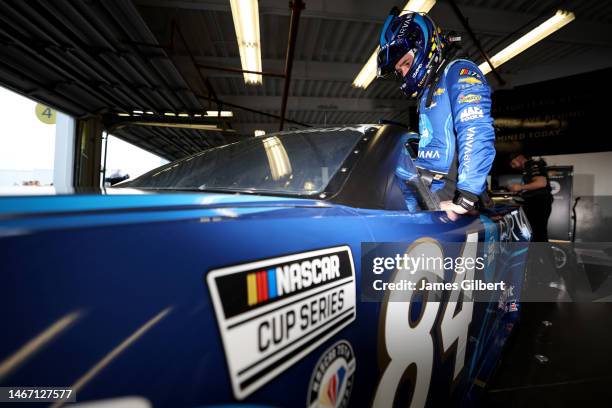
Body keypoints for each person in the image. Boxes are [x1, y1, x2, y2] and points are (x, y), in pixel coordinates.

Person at [376, 8, 495, 217]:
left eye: (405, 63)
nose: (403, 73)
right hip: (426, 195)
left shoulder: (458, 70)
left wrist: (465, 198)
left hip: (450, 199)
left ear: (423, 47)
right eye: (399, 69)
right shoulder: (428, 90)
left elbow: (475, 128)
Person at [509, 154, 553, 242]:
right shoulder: (527, 169)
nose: (513, 167)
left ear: (519, 158)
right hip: (535, 201)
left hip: (539, 202)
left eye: (513, 164)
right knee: (535, 232)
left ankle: (543, 255)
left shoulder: (533, 165)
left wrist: (521, 187)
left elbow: (541, 183)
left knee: (538, 233)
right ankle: (537, 254)